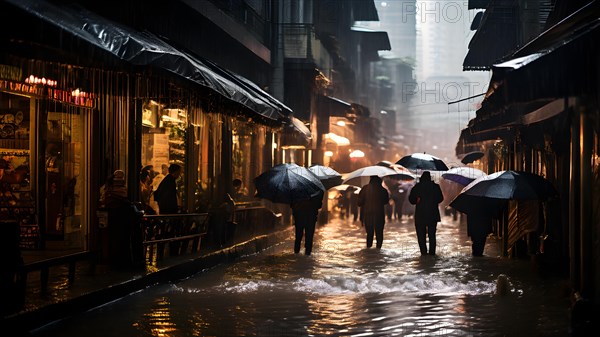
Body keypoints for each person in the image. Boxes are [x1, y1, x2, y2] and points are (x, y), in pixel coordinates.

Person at [408, 171, 444, 256]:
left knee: (421, 236)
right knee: (432, 235)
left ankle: (423, 254)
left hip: (420, 215)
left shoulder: (417, 187)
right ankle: (432, 254)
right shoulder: (435, 187)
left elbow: (411, 200)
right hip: (432, 215)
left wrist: (417, 199)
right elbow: (440, 199)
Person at [357, 175, 390, 249]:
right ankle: (378, 251)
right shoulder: (383, 190)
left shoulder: (365, 189)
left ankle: (369, 252)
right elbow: (386, 202)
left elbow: (359, 203)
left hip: (368, 215)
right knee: (379, 234)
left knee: (369, 234)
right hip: (379, 215)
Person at [291, 191, 323, 255]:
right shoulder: (317, 190)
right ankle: (307, 253)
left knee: (299, 236)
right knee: (309, 236)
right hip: (310, 217)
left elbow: (292, 204)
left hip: (301, 216)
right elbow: (319, 205)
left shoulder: (297, 189)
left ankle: (297, 253)